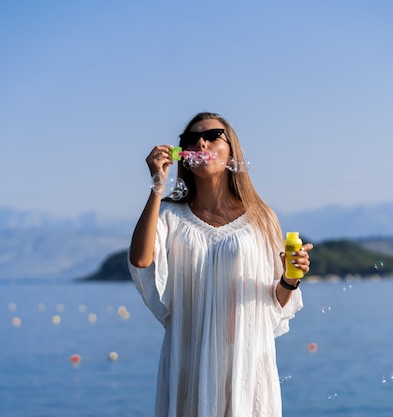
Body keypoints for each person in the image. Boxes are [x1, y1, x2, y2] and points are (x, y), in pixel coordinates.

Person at [128, 112, 313, 417]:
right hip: (189, 362)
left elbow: (274, 302)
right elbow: (140, 259)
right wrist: (157, 185)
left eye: (213, 135)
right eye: (190, 139)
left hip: (247, 364)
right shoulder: (170, 216)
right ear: (183, 154)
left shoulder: (261, 217)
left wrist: (291, 278)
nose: (200, 142)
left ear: (232, 150)